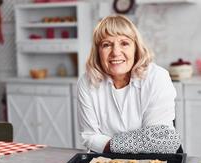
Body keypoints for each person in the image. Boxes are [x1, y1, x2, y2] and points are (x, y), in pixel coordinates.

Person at [77, 15, 181, 154]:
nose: (115, 52)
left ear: (136, 48)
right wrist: (137, 142)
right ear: (98, 52)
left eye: (124, 43)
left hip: (157, 161)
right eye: (106, 45)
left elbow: (158, 141)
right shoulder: (86, 82)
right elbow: (89, 137)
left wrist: (111, 143)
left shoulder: (157, 77)